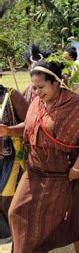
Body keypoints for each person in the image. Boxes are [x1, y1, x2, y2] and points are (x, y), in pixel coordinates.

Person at [0, 61, 79, 252]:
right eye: (34, 87)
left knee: (72, 216)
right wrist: (8, 130)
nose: (36, 92)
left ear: (55, 82)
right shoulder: (38, 102)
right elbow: (30, 127)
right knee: (16, 211)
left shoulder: (72, 104)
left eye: (41, 87)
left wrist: (77, 168)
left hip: (63, 171)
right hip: (35, 168)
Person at [0, 77, 28, 244]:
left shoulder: (11, 96)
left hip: (11, 157)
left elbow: (31, 122)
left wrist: (9, 130)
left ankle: (19, 239)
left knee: (6, 201)